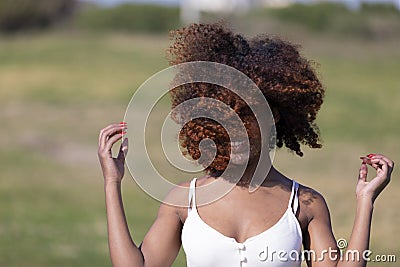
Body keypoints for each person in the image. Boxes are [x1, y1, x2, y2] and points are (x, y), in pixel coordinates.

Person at [97, 23, 394, 267]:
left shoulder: (304, 204)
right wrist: (112, 182)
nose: (234, 133)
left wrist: (365, 201)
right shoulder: (183, 201)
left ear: (272, 120)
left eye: (247, 120)